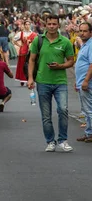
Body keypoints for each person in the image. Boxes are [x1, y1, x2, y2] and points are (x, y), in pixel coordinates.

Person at [27, 14, 75, 152]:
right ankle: (50, 141)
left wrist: (60, 66)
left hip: (60, 82)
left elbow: (71, 60)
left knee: (63, 110)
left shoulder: (65, 42)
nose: (52, 26)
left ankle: (63, 140)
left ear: (58, 25)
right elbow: (31, 60)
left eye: (54, 24)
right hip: (43, 82)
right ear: (45, 25)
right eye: (49, 24)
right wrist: (30, 78)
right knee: (46, 115)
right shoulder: (38, 40)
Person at [75, 21, 92, 143]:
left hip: (88, 83)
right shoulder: (85, 45)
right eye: (81, 31)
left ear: (91, 32)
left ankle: (91, 134)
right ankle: (89, 133)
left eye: (85, 31)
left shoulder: (91, 45)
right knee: (86, 110)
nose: (82, 33)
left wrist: (86, 80)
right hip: (82, 82)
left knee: (89, 109)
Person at [14, 20, 37, 86]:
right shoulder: (21, 33)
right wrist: (19, 45)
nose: (27, 26)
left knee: (31, 65)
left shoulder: (34, 34)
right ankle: (22, 79)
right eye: (26, 24)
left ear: (30, 25)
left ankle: (29, 79)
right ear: (24, 25)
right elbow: (14, 40)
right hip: (23, 52)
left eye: (28, 24)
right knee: (22, 65)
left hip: (31, 51)